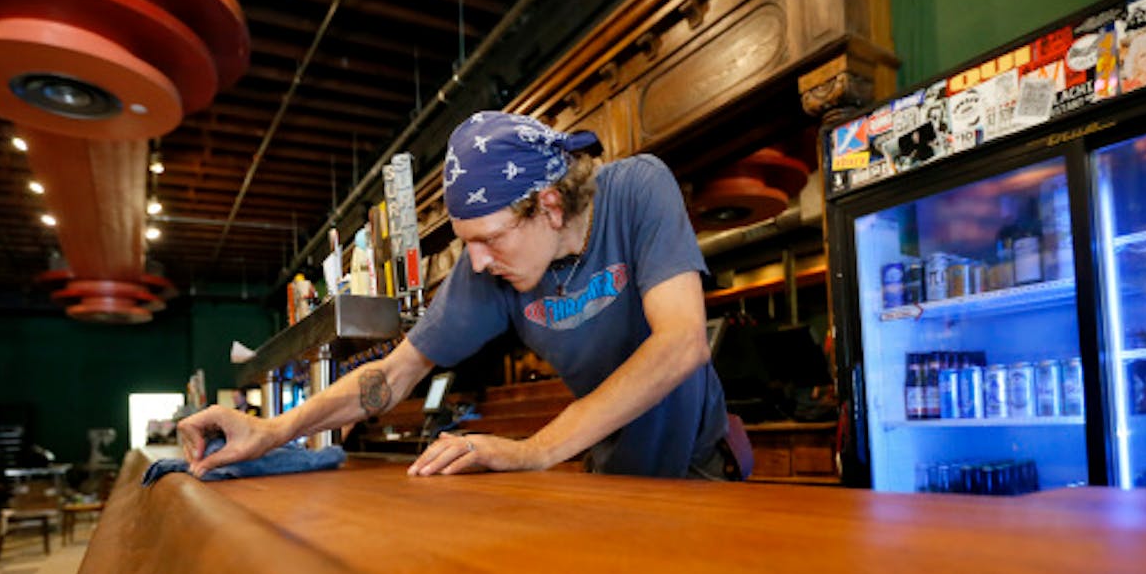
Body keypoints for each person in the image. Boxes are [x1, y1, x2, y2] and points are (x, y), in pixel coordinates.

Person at [178, 110, 740, 479]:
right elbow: (394, 374)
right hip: (610, 469)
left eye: (489, 239)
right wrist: (275, 429)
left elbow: (682, 342)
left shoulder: (639, 189)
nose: (476, 262)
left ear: (547, 205)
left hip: (698, 464)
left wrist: (535, 449)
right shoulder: (491, 268)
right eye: (468, 243)